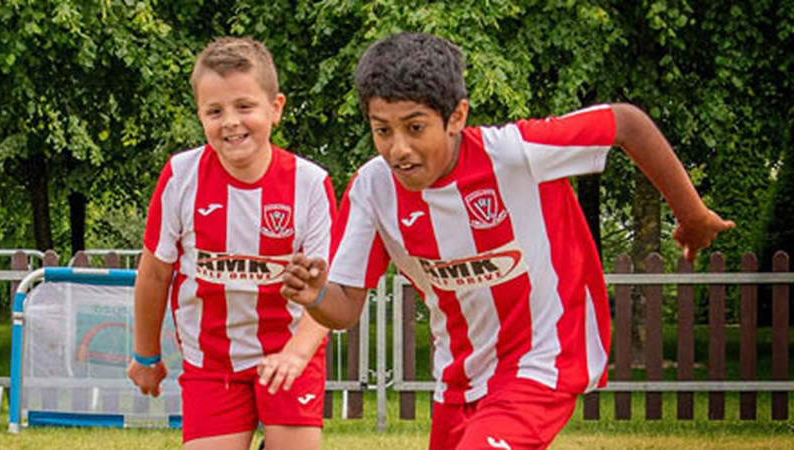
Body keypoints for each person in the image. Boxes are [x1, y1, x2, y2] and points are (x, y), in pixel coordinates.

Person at [280, 32, 735, 449]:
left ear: (456, 116)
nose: (398, 147)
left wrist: (692, 216)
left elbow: (627, 123)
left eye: (415, 127)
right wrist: (316, 293)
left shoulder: (514, 153)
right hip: (457, 378)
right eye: (383, 130)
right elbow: (343, 308)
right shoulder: (371, 189)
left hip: (543, 359)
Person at [127, 37, 336, 450]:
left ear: (275, 108)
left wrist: (296, 354)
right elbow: (154, 273)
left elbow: (325, 294)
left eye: (244, 107)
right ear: (200, 115)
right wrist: (146, 355)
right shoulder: (181, 177)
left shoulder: (309, 184)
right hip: (211, 362)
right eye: (215, 111)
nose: (231, 122)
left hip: (289, 352)